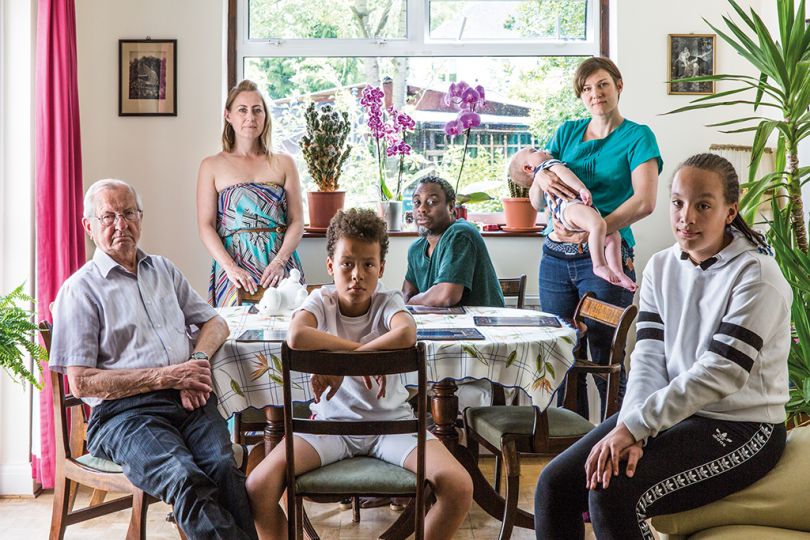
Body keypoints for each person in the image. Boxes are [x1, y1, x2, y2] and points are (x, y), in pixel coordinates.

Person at [534, 153, 791, 540]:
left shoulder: (757, 275)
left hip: (743, 427)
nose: (686, 216)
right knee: (554, 484)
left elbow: (722, 371)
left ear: (729, 210)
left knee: (611, 492)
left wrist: (639, 426)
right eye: (677, 202)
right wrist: (633, 426)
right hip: (675, 413)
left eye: (703, 205)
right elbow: (649, 358)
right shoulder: (660, 266)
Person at [49, 179, 258, 540]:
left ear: (140, 218)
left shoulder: (162, 270)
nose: (121, 225)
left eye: (128, 213)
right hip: (123, 416)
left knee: (223, 466)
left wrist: (196, 363)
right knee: (185, 477)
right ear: (89, 226)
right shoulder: (80, 290)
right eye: (108, 216)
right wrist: (168, 377)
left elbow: (215, 321)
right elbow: (81, 382)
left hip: (187, 401)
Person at [246, 208, 473, 540]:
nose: (357, 275)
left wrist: (344, 366)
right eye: (347, 264)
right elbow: (295, 336)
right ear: (330, 267)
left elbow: (406, 333)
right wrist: (354, 359)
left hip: (391, 426)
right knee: (257, 486)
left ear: (381, 268)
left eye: (368, 265)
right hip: (330, 426)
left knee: (459, 486)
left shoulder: (388, 301)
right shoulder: (321, 300)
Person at [514, 56, 662, 418]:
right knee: (561, 351)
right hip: (555, 259)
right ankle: (573, 447)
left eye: (602, 85)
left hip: (606, 257)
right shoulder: (565, 133)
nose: (595, 94)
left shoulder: (638, 136)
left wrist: (595, 230)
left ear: (618, 85)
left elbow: (645, 201)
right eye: (586, 88)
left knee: (605, 352)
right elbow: (537, 202)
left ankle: (624, 436)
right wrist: (541, 178)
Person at [198, 79, 305, 307]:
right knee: (234, 335)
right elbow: (206, 226)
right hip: (234, 270)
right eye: (242, 110)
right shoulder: (211, 166)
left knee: (286, 336)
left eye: (257, 110)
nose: (251, 117)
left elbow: (297, 221)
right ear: (228, 115)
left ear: (265, 116)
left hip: (278, 268)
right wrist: (230, 267)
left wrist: (280, 262)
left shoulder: (285, 163)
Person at [510, 148, 636, 291]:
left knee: (613, 235)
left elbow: (540, 204)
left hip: (572, 211)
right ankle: (599, 265)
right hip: (570, 207)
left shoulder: (543, 175)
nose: (543, 149)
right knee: (598, 224)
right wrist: (581, 189)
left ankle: (617, 272)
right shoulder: (550, 165)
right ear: (528, 168)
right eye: (534, 151)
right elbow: (567, 174)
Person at [402, 175, 505, 308]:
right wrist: (413, 301)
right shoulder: (416, 249)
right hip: (439, 323)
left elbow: (446, 296)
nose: (421, 209)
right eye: (417, 202)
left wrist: (412, 302)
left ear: (451, 207)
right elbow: (406, 295)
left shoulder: (460, 234)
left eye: (432, 202)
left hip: (481, 325)